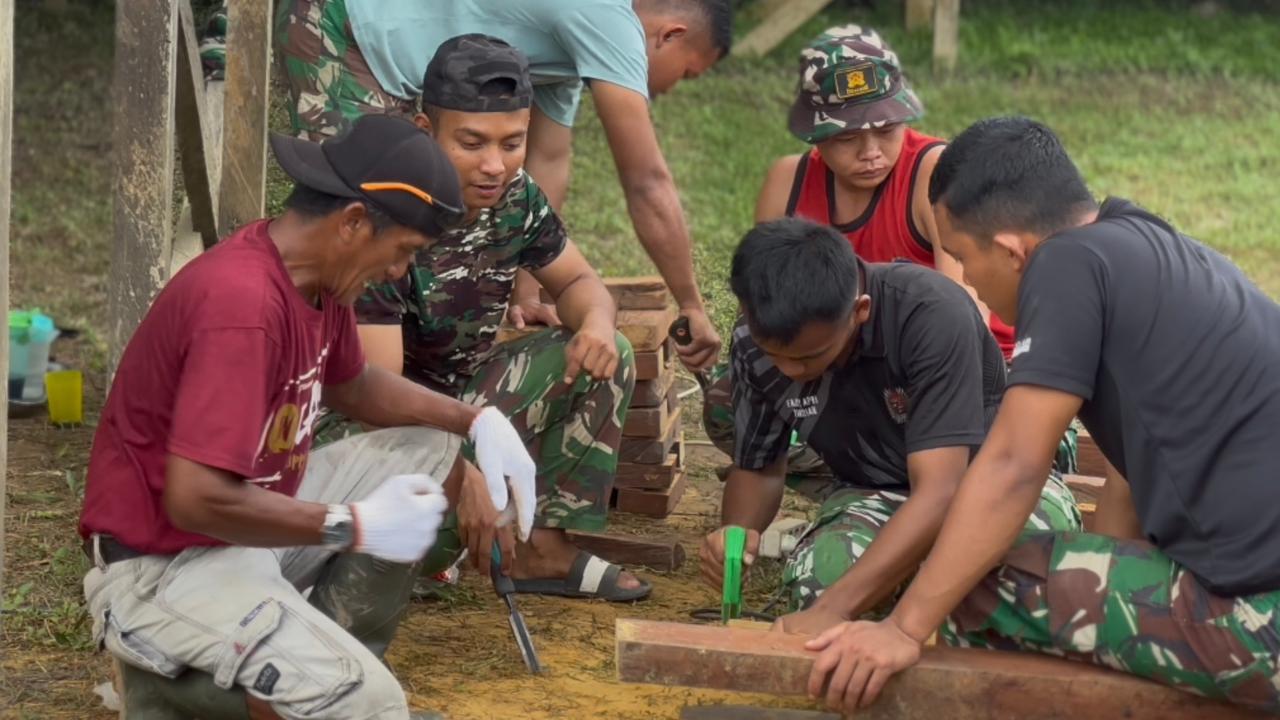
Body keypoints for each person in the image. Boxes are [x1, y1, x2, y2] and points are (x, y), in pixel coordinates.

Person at [803, 116, 1280, 716]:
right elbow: (1129, 480)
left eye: (961, 258)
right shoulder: (1140, 239)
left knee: (975, 584)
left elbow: (1011, 465)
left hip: (1262, 621)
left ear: (1011, 251)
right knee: (1038, 578)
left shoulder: (1063, 267)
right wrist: (1087, 607)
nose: (968, 281)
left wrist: (901, 629)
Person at [78, 115, 538, 719]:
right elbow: (194, 500)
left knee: (427, 452)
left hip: (240, 535)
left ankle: (319, 666)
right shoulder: (241, 306)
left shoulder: (318, 279)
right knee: (369, 704)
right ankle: (185, 690)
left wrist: (473, 422)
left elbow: (352, 382)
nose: (399, 272)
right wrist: (353, 524)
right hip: (161, 567)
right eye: (401, 252)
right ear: (351, 222)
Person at [317, 34, 647, 601]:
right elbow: (379, 401)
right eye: (471, 143)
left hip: (462, 403)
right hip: (369, 431)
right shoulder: (388, 211)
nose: (494, 165)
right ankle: (400, 557)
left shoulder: (515, 196)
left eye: (512, 143)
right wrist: (461, 472)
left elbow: (578, 283)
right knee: (427, 527)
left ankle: (539, 548)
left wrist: (593, 324)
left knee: (605, 351)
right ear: (425, 129)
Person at [275, 0, 733, 371]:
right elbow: (646, 182)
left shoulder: (565, 51)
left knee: (401, 218)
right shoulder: (611, 21)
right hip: (343, 23)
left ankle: (408, 367)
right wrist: (690, 303)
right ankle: (309, 368)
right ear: (670, 34)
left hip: (387, 50)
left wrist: (527, 291)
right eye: (688, 72)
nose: (675, 88)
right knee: (366, 213)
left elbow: (548, 160)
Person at [701, 26, 1058, 483]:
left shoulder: (934, 173)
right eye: (848, 138)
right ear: (815, 136)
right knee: (728, 406)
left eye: (887, 130)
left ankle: (904, 481)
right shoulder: (786, 182)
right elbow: (771, 305)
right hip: (845, 367)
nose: (871, 153)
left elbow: (964, 317)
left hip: (951, 373)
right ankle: (878, 477)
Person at [698, 217, 1080, 637]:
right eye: (775, 355)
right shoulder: (754, 341)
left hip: (991, 479)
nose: (789, 370)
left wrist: (837, 609)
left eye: (809, 358)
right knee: (818, 582)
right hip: (875, 489)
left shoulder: (931, 312)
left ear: (859, 312)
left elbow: (941, 490)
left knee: (1025, 579)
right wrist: (738, 531)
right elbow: (759, 466)